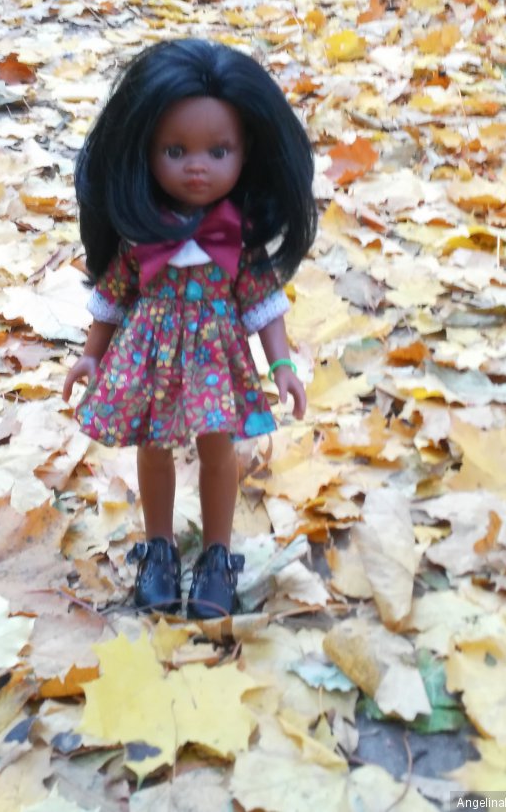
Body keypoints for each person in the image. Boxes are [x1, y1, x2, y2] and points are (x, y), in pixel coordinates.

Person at [63, 38, 317, 619]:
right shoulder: (141, 235)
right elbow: (111, 297)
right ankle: (158, 550)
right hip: (148, 356)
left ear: (246, 153)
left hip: (213, 360)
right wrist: (91, 354)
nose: (197, 166)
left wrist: (281, 364)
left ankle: (218, 557)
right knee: (152, 449)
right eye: (175, 151)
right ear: (145, 151)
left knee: (217, 450)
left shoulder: (236, 238)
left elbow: (264, 304)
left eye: (218, 151)